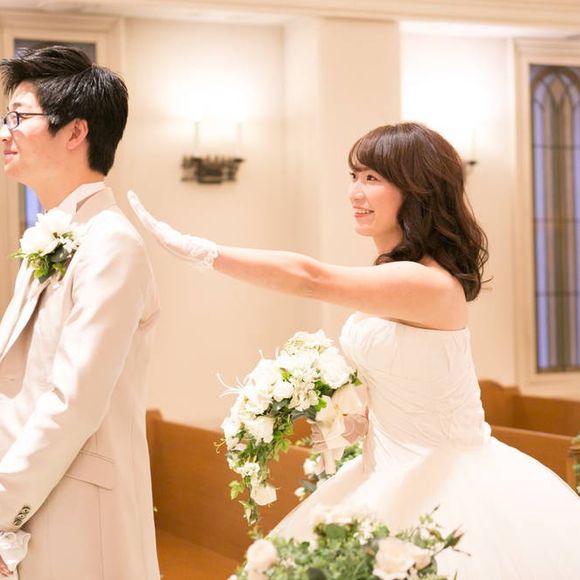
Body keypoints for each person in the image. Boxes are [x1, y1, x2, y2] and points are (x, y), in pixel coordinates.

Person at [128, 122, 580, 578]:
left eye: (372, 178)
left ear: (417, 189)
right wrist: (351, 413)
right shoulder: (398, 273)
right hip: (384, 466)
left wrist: (204, 251)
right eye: (354, 176)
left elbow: (312, 278)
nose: (355, 192)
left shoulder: (428, 282)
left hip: (441, 477)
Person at [0, 46, 160, 579]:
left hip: (76, 506)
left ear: (75, 132)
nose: (5, 132)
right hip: (33, 497)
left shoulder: (111, 244)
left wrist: (2, 505)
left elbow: (74, 400)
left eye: (18, 117)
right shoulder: (52, 239)